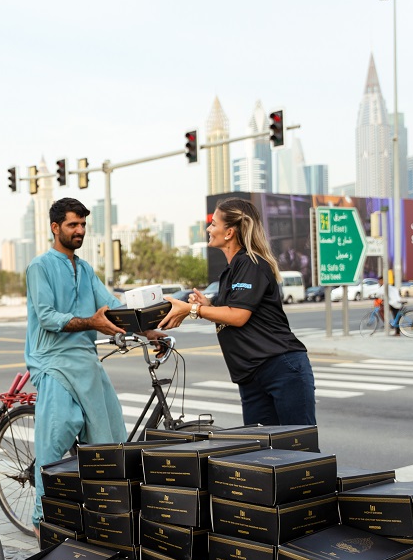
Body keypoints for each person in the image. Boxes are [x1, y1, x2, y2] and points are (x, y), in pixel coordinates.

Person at [25, 197, 158, 537]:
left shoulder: (85, 270)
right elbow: (47, 317)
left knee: (111, 443)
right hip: (53, 362)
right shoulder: (40, 267)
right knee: (52, 449)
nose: (79, 231)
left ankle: (108, 520)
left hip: (85, 362)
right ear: (55, 227)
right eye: (73, 224)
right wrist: (91, 323)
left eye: (83, 225)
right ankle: (44, 523)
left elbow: (112, 307)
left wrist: (148, 329)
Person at [159, 197, 316, 427]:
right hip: (250, 376)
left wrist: (193, 309)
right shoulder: (232, 270)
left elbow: (239, 315)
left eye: (214, 223)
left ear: (229, 232)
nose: (208, 228)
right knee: (259, 455)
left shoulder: (250, 263)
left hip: (280, 369)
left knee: (300, 450)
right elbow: (234, 311)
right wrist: (209, 305)